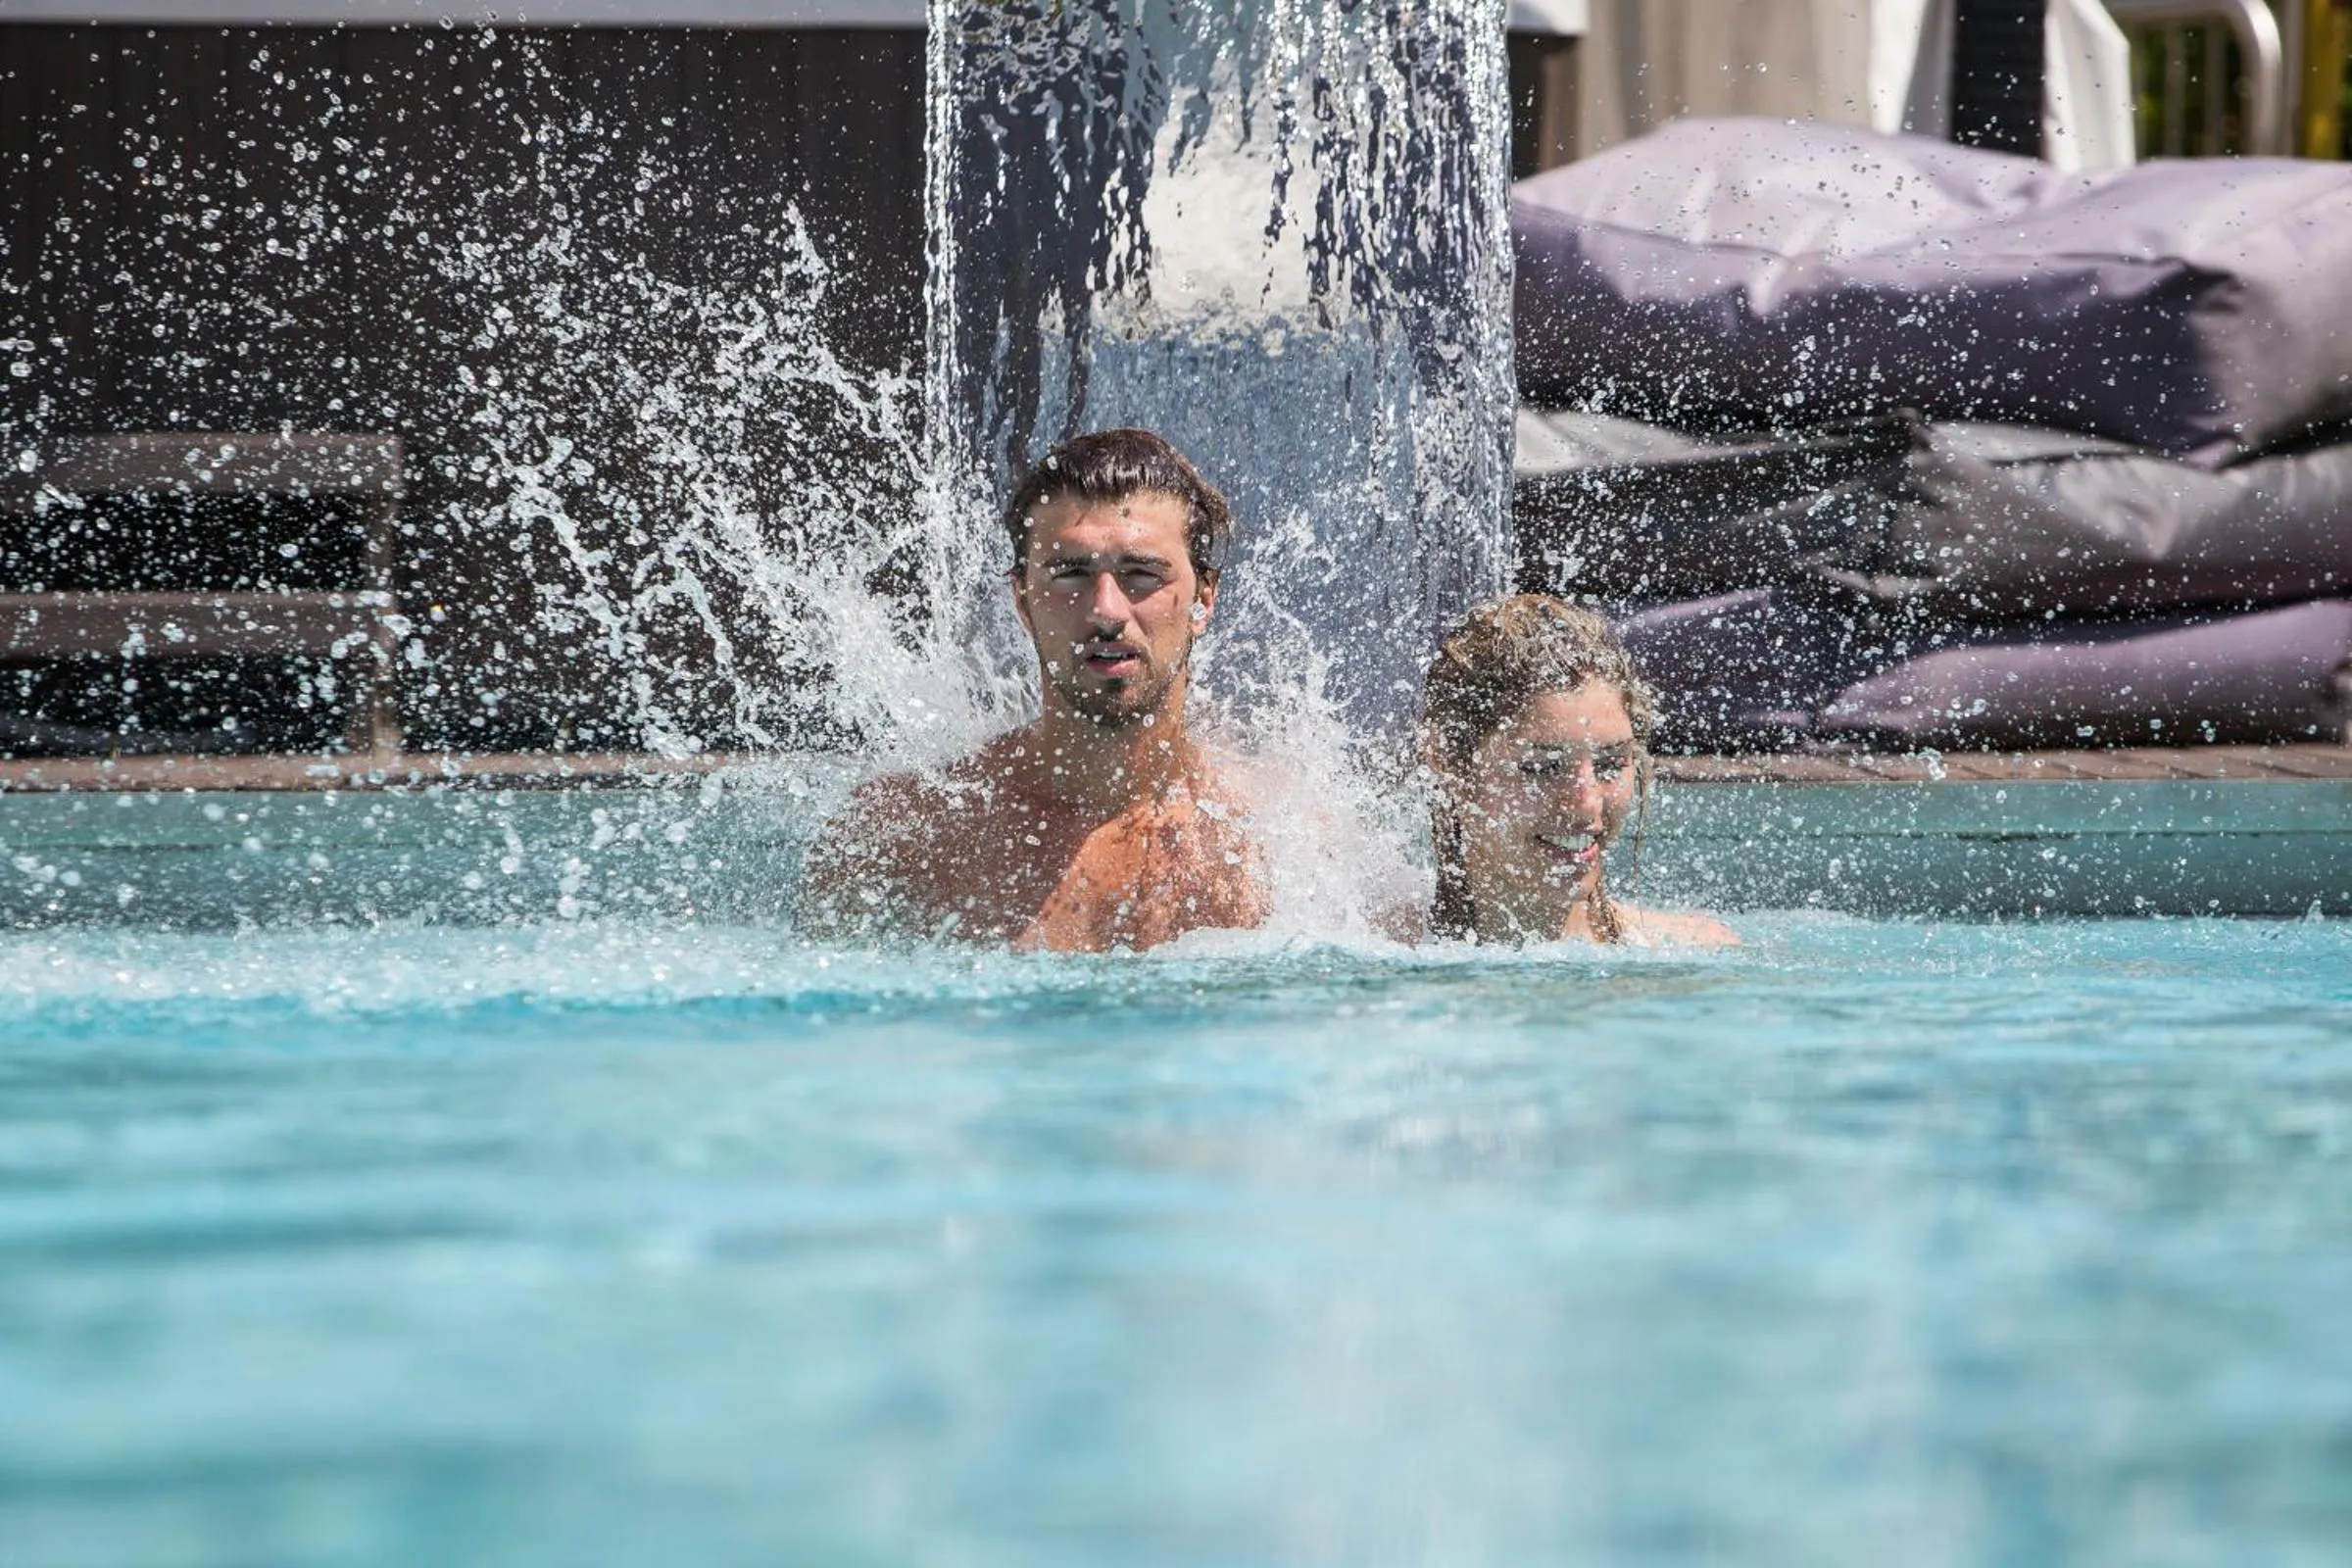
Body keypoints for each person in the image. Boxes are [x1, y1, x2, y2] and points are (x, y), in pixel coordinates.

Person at [798, 428, 1268, 952]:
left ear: (1204, 597)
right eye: (1071, 574)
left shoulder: (1277, 840)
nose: (1106, 611)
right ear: (1022, 599)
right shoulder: (904, 839)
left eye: (1141, 574)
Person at [1420, 594, 1736, 947]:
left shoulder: (1693, 950)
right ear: (1447, 763)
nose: (1587, 804)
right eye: (1543, 767)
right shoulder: (1383, 951)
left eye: (1611, 764)